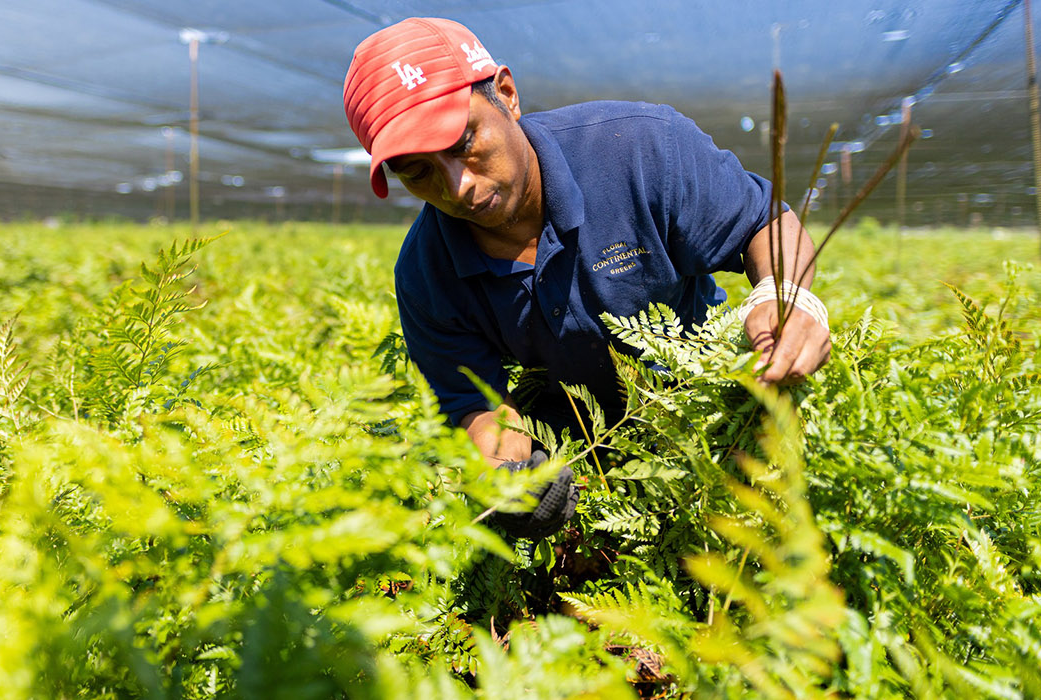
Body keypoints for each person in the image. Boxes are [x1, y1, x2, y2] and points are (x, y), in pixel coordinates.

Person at [341, 18, 831, 537]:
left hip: (706, 399)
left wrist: (788, 296)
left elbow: (763, 224)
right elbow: (476, 405)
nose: (457, 185)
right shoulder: (427, 273)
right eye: (417, 171)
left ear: (506, 95)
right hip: (576, 445)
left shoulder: (640, 150)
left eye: (463, 141)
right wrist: (513, 481)